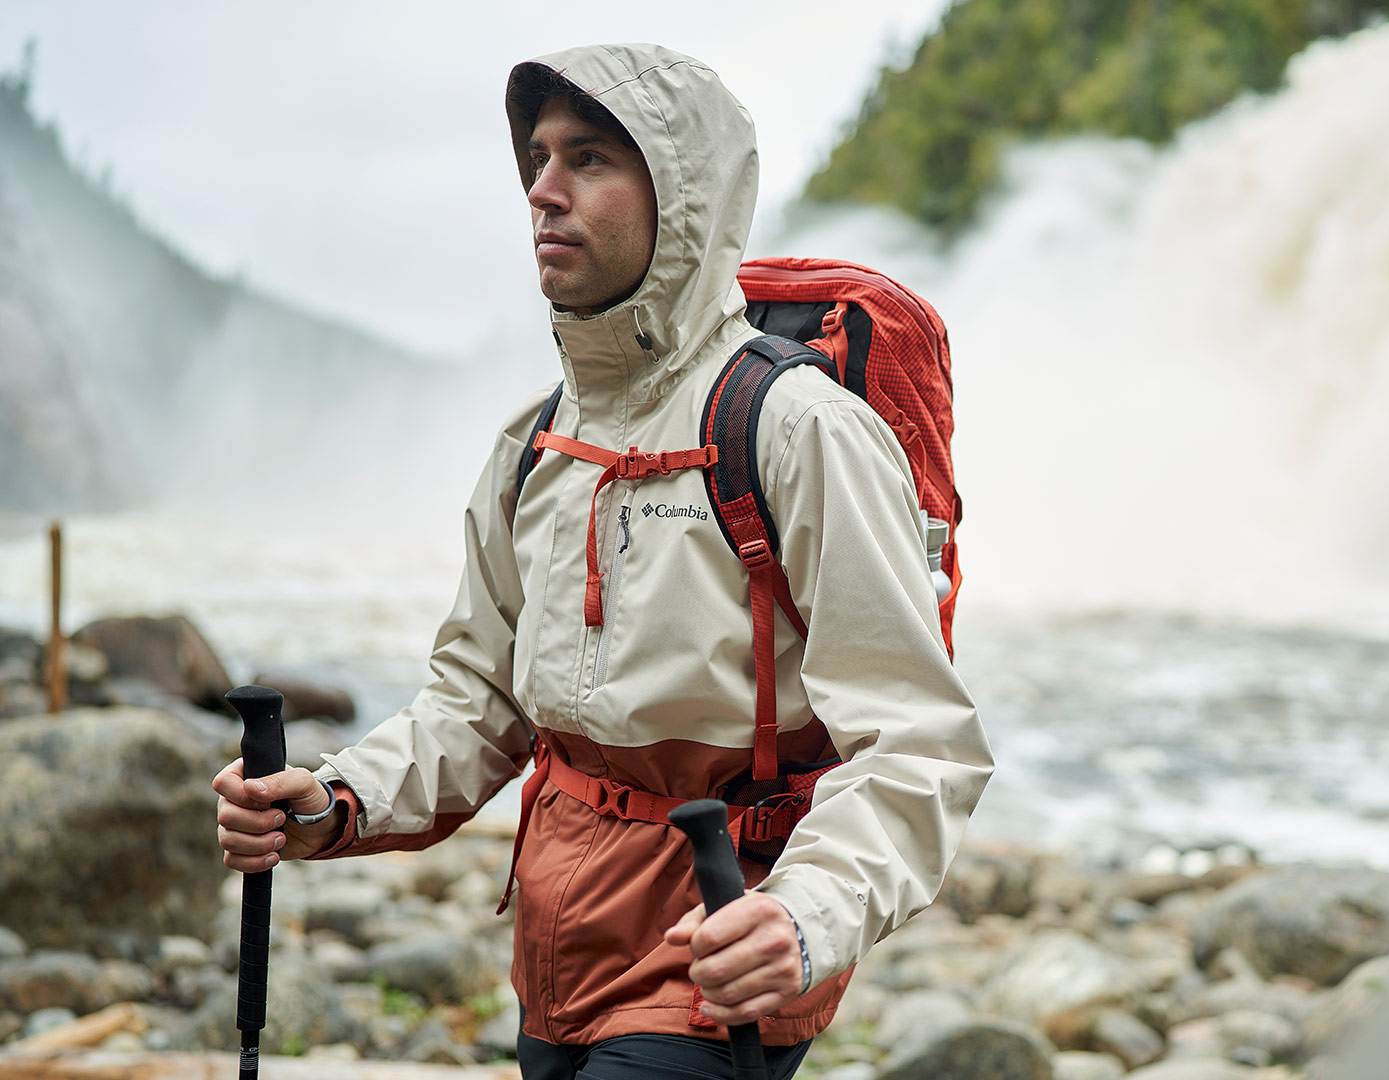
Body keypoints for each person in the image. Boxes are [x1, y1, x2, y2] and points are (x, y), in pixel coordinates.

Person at [211, 43, 993, 1080]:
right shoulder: (535, 442)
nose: (544, 190)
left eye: (588, 158)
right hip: (556, 944)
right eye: (538, 159)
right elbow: (480, 702)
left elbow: (918, 744)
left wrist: (801, 918)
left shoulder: (798, 429)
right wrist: (334, 799)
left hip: (725, 937)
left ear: (681, 195)